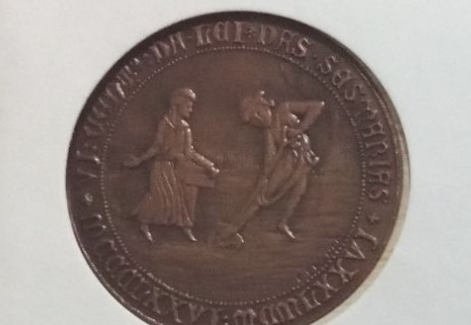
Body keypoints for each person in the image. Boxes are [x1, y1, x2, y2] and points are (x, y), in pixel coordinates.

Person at [216, 91, 325, 245]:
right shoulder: (268, 133)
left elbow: (318, 106)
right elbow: (269, 160)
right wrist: (264, 177)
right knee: (261, 197)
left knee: (299, 191)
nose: (258, 120)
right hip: (286, 165)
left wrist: (299, 130)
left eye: (257, 114)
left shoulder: (285, 109)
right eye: (254, 121)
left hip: (302, 160)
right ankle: (230, 231)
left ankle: (283, 222)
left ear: (264, 106)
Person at [124, 88, 220, 243]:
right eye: (188, 106)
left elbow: (190, 153)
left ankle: (186, 228)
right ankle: (143, 224)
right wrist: (140, 160)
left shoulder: (186, 128)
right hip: (161, 168)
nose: (190, 110)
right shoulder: (165, 124)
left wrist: (208, 165)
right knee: (160, 198)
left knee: (180, 199)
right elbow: (156, 147)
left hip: (176, 169)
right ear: (177, 105)